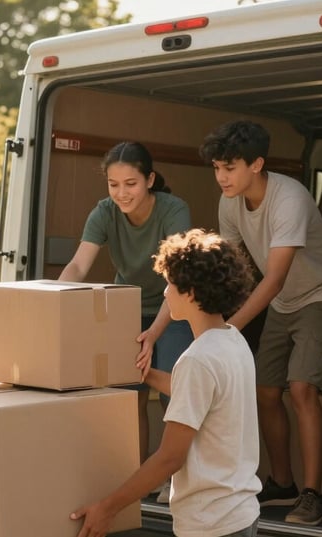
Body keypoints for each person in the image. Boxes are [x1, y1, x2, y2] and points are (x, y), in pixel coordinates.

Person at [199, 119, 322, 526]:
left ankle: (313, 496)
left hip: (320, 295)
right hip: (281, 302)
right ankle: (283, 482)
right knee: (265, 392)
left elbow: (276, 275)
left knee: (301, 390)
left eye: (229, 168)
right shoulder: (229, 202)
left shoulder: (290, 198)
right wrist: (208, 313)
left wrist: (227, 329)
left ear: (257, 164)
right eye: (216, 168)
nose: (221, 177)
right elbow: (229, 268)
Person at [71, 228, 261, 537]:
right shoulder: (232, 340)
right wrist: (145, 374)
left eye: (170, 284)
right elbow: (200, 396)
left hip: (210, 525)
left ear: (191, 292)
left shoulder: (197, 359)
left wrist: (108, 508)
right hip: (240, 514)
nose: (164, 293)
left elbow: (170, 457)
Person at [58, 141, 194, 478]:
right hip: (128, 308)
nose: (121, 193)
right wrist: (55, 302)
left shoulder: (173, 210)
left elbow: (178, 280)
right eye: (113, 184)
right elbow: (78, 265)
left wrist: (154, 334)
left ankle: (174, 478)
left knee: (172, 395)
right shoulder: (104, 212)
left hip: (173, 309)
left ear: (150, 180)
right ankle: (137, 477)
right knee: (129, 396)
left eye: (130, 184)